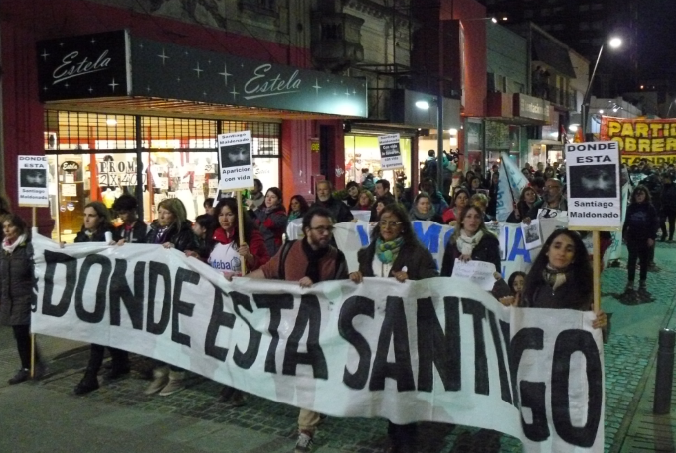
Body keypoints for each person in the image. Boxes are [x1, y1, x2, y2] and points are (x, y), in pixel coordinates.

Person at [248, 207, 348, 453]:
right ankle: (318, 409)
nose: (326, 233)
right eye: (320, 228)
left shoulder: (337, 258)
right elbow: (267, 272)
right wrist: (238, 282)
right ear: (306, 231)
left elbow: (343, 294)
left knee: (309, 378)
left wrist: (322, 286)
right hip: (289, 327)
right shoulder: (288, 251)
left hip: (320, 332)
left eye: (329, 228)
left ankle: (306, 431)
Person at [348, 204, 437, 452]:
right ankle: (393, 431)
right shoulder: (366, 254)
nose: (388, 227)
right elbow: (364, 283)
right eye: (384, 222)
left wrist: (412, 281)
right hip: (377, 330)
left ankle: (406, 437)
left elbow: (433, 280)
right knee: (387, 383)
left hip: (406, 329)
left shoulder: (417, 253)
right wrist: (357, 277)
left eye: (394, 223)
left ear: (403, 227)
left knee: (404, 383)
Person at [206, 197, 269, 405]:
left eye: (230, 214)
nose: (225, 218)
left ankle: (236, 388)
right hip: (219, 298)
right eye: (221, 214)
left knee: (238, 343)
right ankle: (230, 384)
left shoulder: (251, 236)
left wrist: (249, 257)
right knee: (223, 342)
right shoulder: (213, 237)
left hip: (242, 299)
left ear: (238, 216)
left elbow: (266, 265)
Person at [144, 198, 199, 396]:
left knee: (174, 332)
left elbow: (192, 256)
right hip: (156, 288)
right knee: (157, 331)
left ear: (176, 214)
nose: (161, 215)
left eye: (166, 212)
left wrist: (175, 249)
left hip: (175, 288)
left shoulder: (184, 234)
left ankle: (177, 375)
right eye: (160, 211)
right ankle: (160, 372)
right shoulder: (152, 232)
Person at [72, 202, 127, 395]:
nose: (86, 219)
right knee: (105, 329)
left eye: (91, 215)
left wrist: (120, 246)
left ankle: (90, 377)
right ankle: (121, 362)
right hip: (89, 290)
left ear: (101, 218)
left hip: (108, 291)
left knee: (98, 332)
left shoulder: (111, 236)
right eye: (85, 215)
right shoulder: (81, 236)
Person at [517, 229, 608, 331]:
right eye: (557, 246)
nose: (562, 253)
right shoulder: (531, 283)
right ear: (547, 250)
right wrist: (508, 309)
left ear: (574, 257)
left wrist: (602, 324)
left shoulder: (585, 287)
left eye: (569, 249)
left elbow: (593, 332)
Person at [1, 214, 44, 385]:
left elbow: (37, 268)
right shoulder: (4, 249)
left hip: (25, 297)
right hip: (9, 298)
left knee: (21, 333)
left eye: (10, 226)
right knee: (21, 334)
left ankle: (27, 367)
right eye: (4, 226)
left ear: (18, 228)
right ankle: (35, 363)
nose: (6, 230)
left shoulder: (28, 247)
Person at [440, 206, 502, 279]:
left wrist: (472, 260)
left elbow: (495, 269)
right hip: (456, 287)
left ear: (480, 221)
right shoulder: (453, 241)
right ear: (462, 220)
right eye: (469, 217)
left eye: (477, 217)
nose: (473, 220)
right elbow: (445, 270)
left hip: (481, 288)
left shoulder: (490, 240)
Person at [622, 185, 659, 300]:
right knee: (631, 261)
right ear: (634, 196)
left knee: (643, 262)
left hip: (645, 239)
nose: (639, 196)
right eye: (637, 194)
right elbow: (627, 221)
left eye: (641, 194)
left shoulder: (650, 208)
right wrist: (624, 234)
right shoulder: (631, 207)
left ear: (645, 195)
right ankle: (630, 281)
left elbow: (655, 223)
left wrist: (651, 237)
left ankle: (642, 281)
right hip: (632, 238)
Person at [253, 187, 287, 257]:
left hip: (272, 250)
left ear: (279, 201)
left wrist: (254, 208)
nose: (268, 199)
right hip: (260, 249)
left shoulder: (281, 215)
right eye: (267, 196)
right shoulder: (262, 211)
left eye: (273, 197)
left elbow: (269, 223)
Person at [660, 173, 676, 242]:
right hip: (664, 207)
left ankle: (670, 237)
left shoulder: (674, 187)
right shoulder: (663, 186)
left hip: (673, 207)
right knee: (661, 221)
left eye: (664, 179)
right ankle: (664, 233)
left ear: (669, 179)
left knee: (671, 222)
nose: (663, 180)